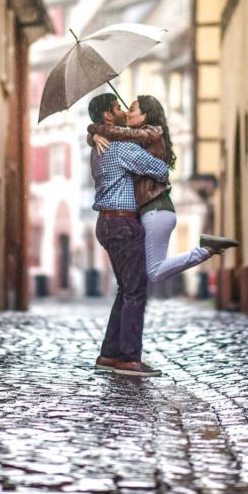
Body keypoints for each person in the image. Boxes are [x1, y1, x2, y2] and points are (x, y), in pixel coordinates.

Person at [88, 94, 238, 286]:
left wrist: (96, 130)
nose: (126, 112)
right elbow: (118, 135)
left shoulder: (149, 133)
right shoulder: (135, 139)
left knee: (153, 272)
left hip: (155, 209)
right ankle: (207, 248)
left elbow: (125, 138)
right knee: (143, 273)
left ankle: (208, 249)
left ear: (145, 116)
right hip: (150, 211)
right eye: (123, 109)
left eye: (132, 110)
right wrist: (94, 134)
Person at [87, 93, 170, 377]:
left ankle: (110, 354)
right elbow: (159, 170)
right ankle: (129, 359)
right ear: (108, 117)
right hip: (123, 224)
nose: (123, 111)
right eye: (117, 108)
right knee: (136, 290)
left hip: (106, 223)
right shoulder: (120, 149)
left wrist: (93, 133)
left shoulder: (98, 148)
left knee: (125, 289)